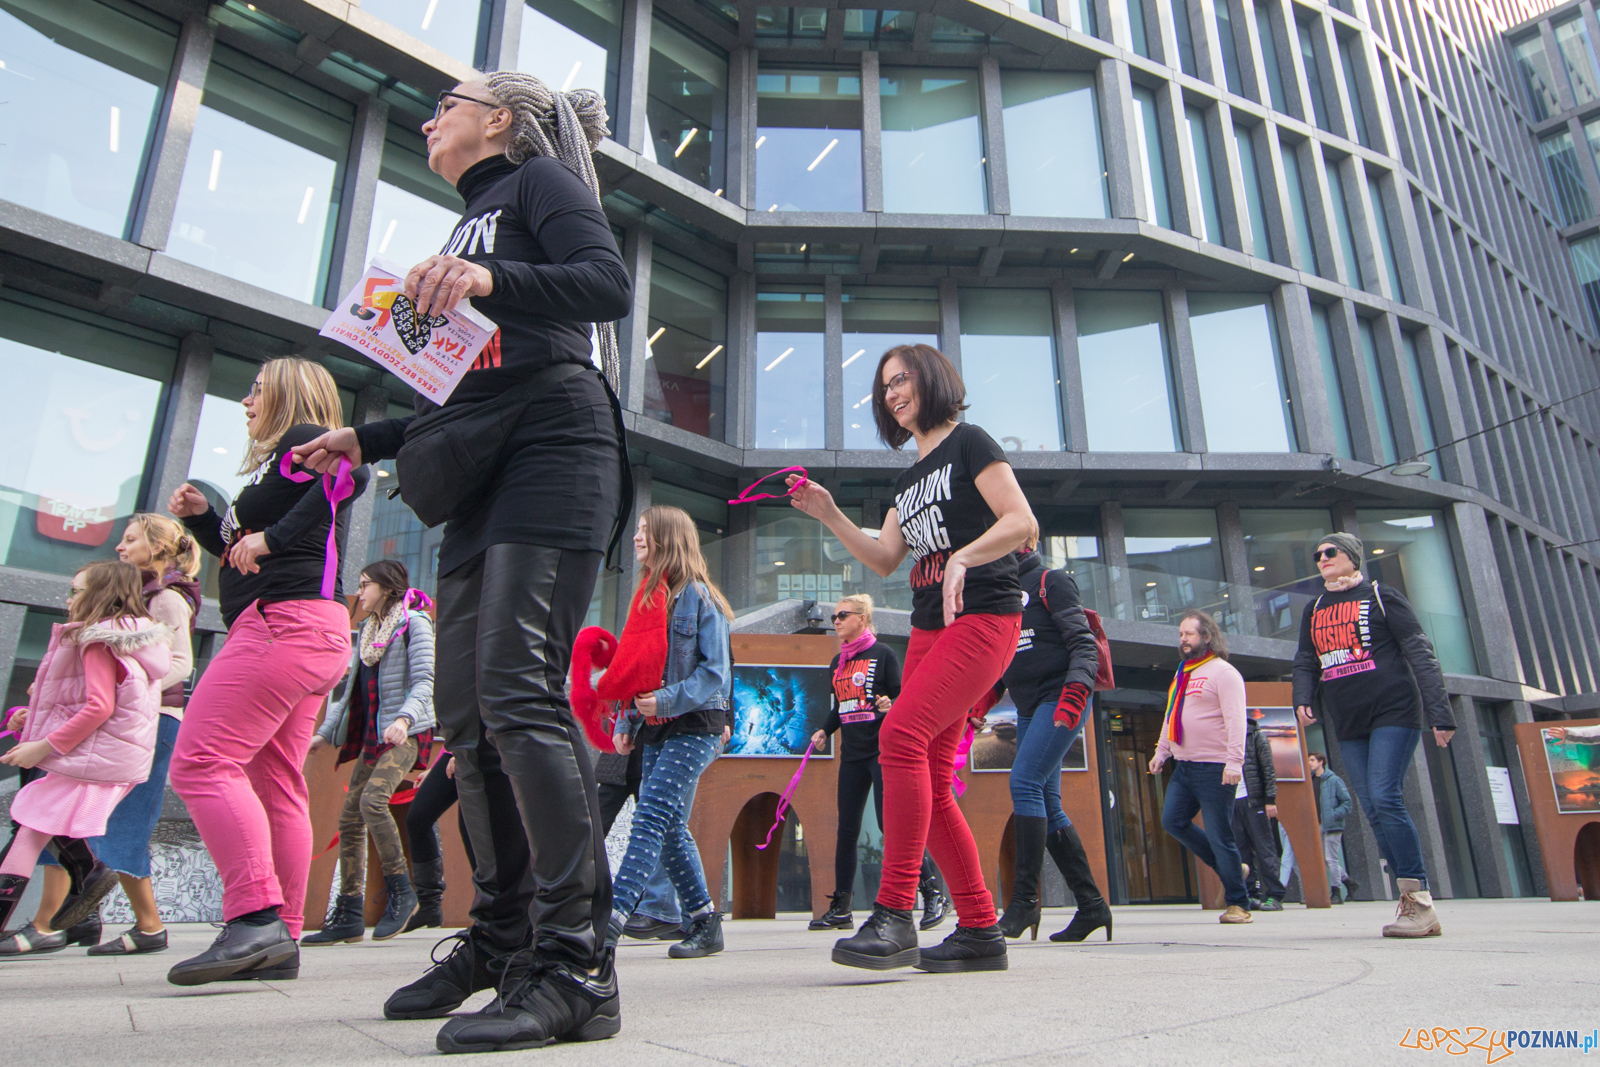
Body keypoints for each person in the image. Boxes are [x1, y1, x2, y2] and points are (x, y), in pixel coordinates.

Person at [292, 72, 629, 1051]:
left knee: (520, 691)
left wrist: (491, 278)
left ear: (503, 120)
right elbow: (460, 389)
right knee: (468, 716)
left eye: (452, 99)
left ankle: (575, 966)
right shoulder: (459, 229)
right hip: (481, 461)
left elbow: (604, 285)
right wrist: (369, 437)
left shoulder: (537, 183)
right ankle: (500, 935)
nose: (431, 115)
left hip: (557, 446)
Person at [785, 343, 1035, 973]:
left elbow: (1020, 520)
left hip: (984, 617)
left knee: (898, 737)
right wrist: (831, 514)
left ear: (931, 380)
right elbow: (884, 559)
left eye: (902, 380)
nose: (893, 394)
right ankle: (980, 928)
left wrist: (963, 556)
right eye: (884, 386)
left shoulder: (971, 443)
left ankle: (896, 911)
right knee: (924, 767)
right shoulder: (908, 479)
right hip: (928, 627)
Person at [165, 357, 370, 986]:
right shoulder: (283, 463)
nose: (247, 400)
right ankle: (277, 932)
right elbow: (239, 549)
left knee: (201, 762)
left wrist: (274, 538)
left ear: (282, 392)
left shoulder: (300, 439)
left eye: (254, 389)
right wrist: (207, 518)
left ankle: (253, 916)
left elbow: (351, 477)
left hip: (282, 625)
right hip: (313, 630)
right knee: (277, 779)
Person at [5, 516, 201, 957]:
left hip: (148, 722)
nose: (119, 547)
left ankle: (60, 923)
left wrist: (132, 692)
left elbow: (179, 663)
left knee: (117, 827)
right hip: (120, 722)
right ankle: (76, 920)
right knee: (73, 822)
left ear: (159, 548)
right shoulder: (131, 598)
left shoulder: (166, 599)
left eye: (130, 540)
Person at [1293, 532, 1454, 939]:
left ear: (1352, 557)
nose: (1322, 558)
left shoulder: (1381, 596)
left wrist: (1440, 713)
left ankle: (1420, 900)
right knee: (1373, 807)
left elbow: (1419, 650)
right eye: (1317, 555)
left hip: (1393, 711)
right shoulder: (1314, 608)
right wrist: (1302, 697)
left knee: (1386, 796)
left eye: (1330, 552)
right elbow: (1305, 660)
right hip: (1349, 721)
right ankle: (1411, 902)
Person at [604, 506, 732, 960]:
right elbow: (634, 669)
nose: (637, 538)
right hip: (656, 726)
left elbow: (714, 672)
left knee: (652, 815)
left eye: (644, 531)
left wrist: (665, 700)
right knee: (671, 825)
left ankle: (610, 925)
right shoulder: (647, 598)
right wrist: (627, 721)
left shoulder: (701, 597)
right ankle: (703, 921)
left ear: (667, 538)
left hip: (696, 724)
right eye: (637, 529)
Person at [305, 560, 437, 944]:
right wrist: (326, 733)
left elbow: (426, 680)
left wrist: (405, 720)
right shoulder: (367, 631)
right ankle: (348, 912)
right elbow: (350, 692)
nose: (360, 593)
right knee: (349, 819)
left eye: (366, 586)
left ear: (387, 587)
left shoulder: (415, 623)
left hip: (405, 734)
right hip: (371, 738)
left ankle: (402, 890)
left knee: (373, 801)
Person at [807, 594, 950, 935]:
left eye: (842, 615)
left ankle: (932, 892)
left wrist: (891, 703)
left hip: (882, 752)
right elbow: (840, 706)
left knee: (892, 826)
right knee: (846, 829)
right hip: (852, 755)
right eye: (833, 617)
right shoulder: (836, 663)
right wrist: (825, 730)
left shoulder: (883, 655)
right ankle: (841, 907)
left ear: (863, 619)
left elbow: (903, 695)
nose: (836, 621)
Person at [991, 545, 1111, 944]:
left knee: (1024, 783)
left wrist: (1077, 689)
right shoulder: (1000, 591)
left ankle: (1024, 901)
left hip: (1061, 696)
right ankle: (1092, 906)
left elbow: (1083, 642)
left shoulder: (1051, 581)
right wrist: (978, 702)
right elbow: (999, 657)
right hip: (1028, 703)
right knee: (1046, 799)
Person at [1149, 611, 1253, 925]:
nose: (1183, 640)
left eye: (1189, 634)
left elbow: (1237, 720)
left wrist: (1235, 762)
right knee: (1172, 821)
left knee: (1221, 836)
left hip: (1216, 766)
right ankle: (1232, 871)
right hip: (1185, 767)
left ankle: (1239, 904)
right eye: (1180, 634)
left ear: (1206, 637)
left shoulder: (1224, 673)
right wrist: (1161, 752)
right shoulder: (1183, 672)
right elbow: (1172, 714)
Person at [597, 745, 685, 942]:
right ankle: (573, 900)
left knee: (668, 834)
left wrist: (726, 720)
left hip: (657, 757)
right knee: (591, 832)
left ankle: (675, 913)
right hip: (621, 759)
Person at [402, 749, 472, 932]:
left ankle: (491, 912)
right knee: (417, 819)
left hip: (480, 747)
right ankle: (428, 904)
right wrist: (435, 767)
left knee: (473, 830)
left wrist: (464, 753)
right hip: (455, 749)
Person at [1232, 715, 1284, 911]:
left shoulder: (1255, 736)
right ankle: (1250, 893)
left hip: (1255, 801)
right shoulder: (1220, 736)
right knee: (1241, 849)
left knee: (1265, 848)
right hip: (1232, 802)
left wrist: (1270, 800)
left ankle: (1274, 895)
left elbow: (1268, 769)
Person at [1307, 752, 1356, 903]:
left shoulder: (1333, 780)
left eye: (1312, 760)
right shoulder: (1311, 781)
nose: (1310, 763)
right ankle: (1349, 882)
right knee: (1325, 860)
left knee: (1331, 858)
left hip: (1332, 825)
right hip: (1318, 825)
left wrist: (1333, 814)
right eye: (1308, 760)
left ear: (1321, 762)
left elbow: (1347, 803)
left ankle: (1336, 892)